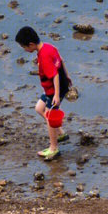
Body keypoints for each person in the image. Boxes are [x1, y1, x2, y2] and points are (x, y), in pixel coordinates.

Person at [15, 25, 70, 162]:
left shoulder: (44, 56)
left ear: (31, 44)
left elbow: (54, 75)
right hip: (57, 87)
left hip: (54, 90)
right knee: (39, 108)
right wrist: (68, 76)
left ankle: (53, 148)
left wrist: (56, 95)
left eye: (24, 47)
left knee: (50, 116)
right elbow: (61, 60)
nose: (24, 50)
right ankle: (60, 133)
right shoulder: (48, 46)